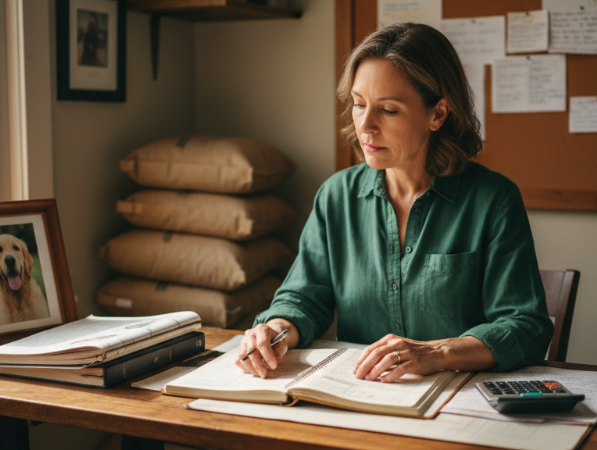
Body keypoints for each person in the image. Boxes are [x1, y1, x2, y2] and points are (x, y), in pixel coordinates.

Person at [236, 23, 553, 383]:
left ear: (438, 114)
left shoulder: (493, 200)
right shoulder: (336, 196)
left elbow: (527, 327)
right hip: (359, 398)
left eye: (388, 110)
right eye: (358, 104)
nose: (365, 125)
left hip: (455, 400)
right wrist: (275, 330)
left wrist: (437, 352)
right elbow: (304, 299)